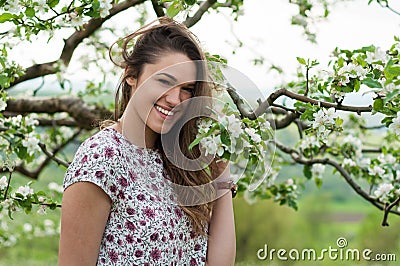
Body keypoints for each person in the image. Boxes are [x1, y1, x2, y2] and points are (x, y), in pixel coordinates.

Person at [58, 17, 236, 265]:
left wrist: (221, 176)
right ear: (132, 74)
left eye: (188, 89)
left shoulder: (180, 162)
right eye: (164, 81)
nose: (176, 99)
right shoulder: (102, 157)